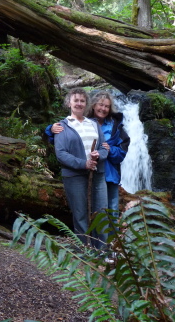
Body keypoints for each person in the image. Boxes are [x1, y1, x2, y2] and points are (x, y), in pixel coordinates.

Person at [46, 90, 130, 235]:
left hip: (108, 173)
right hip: (86, 172)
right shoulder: (80, 122)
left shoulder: (114, 125)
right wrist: (50, 129)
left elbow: (121, 151)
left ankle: (109, 250)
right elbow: (63, 142)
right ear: (93, 105)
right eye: (100, 105)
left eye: (107, 106)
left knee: (109, 212)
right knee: (85, 211)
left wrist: (108, 151)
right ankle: (89, 248)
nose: (103, 109)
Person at [52, 88, 109, 249]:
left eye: (82, 101)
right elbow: (61, 154)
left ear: (86, 104)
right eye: (75, 100)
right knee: (81, 214)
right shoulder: (62, 126)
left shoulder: (94, 124)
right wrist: (83, 164)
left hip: (97, 175)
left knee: (102, 213)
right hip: (74, 177)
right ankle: (85, 252)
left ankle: (103, 251)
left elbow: (105, 147)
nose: (79, 103)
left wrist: (100, 154)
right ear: (69, 103)